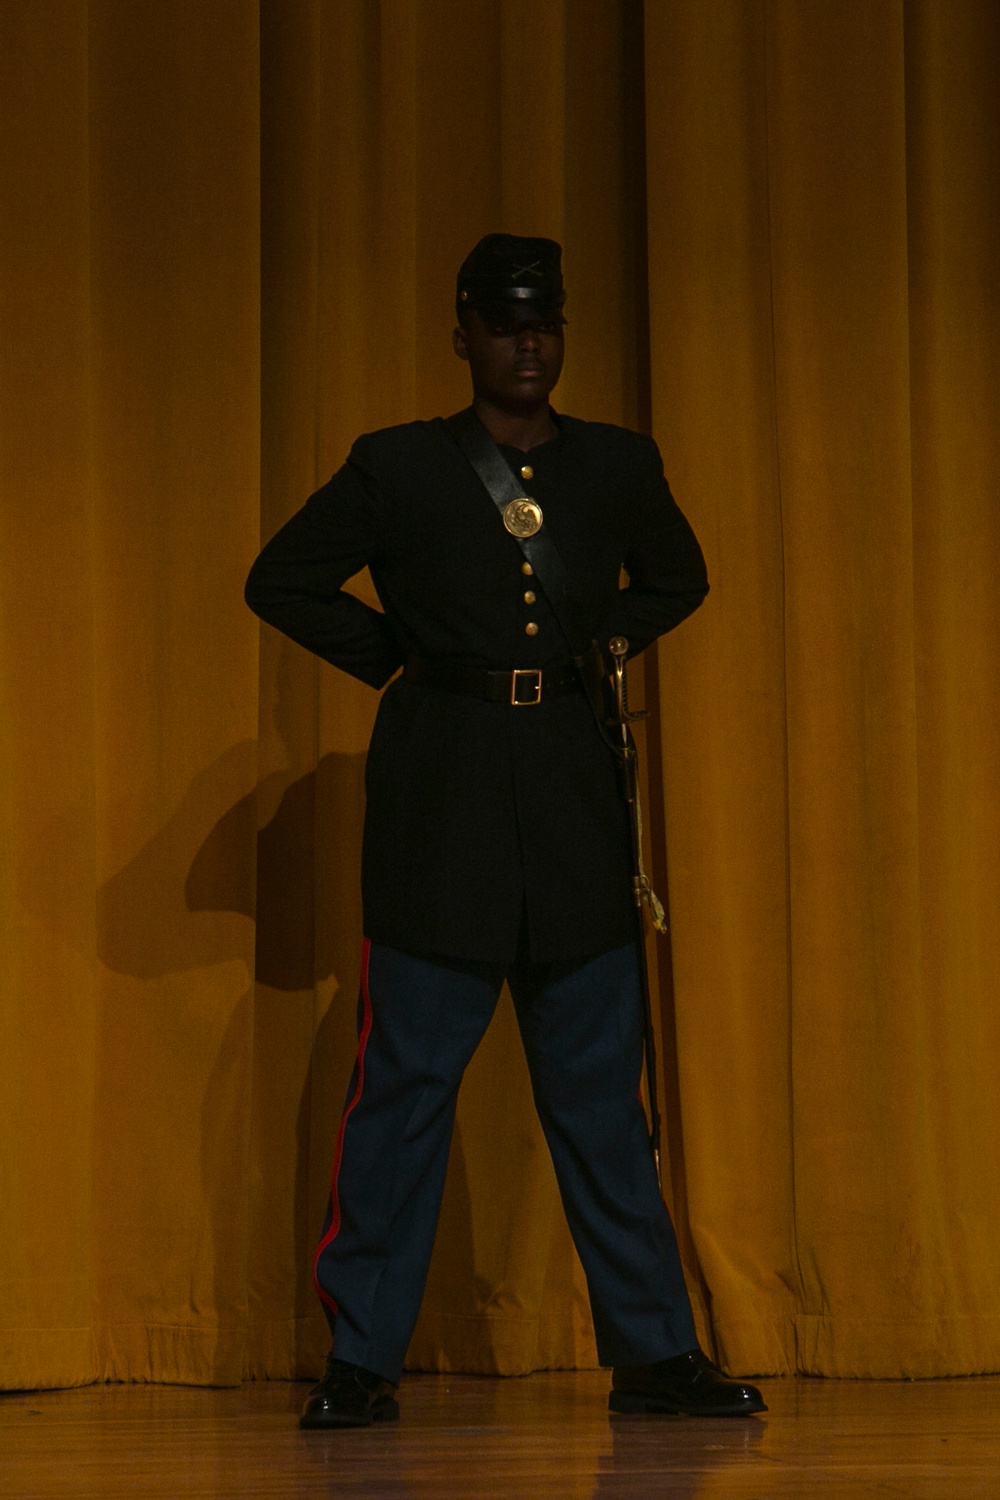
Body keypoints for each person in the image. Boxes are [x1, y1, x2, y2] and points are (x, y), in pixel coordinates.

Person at [244, 234, 766, 1428]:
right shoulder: (400, 467)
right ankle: (363, 1359)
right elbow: (281, 579)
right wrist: (409, 663)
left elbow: (677, 580)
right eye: (505, 323)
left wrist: (599, 647)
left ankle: (651, 1353)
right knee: (406, 1093)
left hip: (574, 807)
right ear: (463, 333)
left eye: (546, 323)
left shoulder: (619, 466)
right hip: (443, 809)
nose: (529, 344)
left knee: (599, 1102)